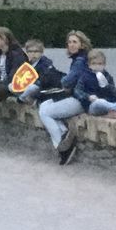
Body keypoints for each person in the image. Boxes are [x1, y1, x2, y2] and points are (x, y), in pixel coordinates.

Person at [38, 30, 92, 164]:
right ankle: (63, 136)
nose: (71, 45)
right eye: (69, 42)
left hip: (81, 100)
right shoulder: (79, 59)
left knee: (45, 112)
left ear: (82, 44)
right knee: (44, 105)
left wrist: (64, 82)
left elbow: (67, 81)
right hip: (75, 96)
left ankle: (63, 148)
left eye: (75, 42)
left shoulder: (80, 61)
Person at [77, 50, 116, 120]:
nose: (97, 66)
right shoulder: (84, 76)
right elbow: (77, 91)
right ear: (89, 64)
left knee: (112, 103)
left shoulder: (107, 76)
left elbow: (115, 94)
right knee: (99, 102)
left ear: (104, 64)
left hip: (109, 102)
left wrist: (107, 86)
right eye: (94, 63)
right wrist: (88, 97)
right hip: (93, 105)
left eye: (100, 64)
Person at [15, 38, 63, 105]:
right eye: (30, 51)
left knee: (32, 88)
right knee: (12, 85)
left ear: (41, 52)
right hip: (28, 84)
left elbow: (43, 81)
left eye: (36, 51)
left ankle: (21, 98)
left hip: (42, 87)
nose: (33, 54)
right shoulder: (25, 63)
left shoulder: (46, 64)